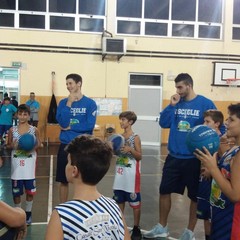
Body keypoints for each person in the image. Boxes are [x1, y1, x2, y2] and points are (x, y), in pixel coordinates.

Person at [144, 73, 217, 240]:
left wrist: (208, 161)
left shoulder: (205, 103)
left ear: (189, 86)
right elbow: (163, 123)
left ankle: (189, 232)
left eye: (180, 87)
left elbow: (215, 128)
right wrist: (171, 106)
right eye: (176, 87)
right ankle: (162, 226)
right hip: (174, 156)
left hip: (195, 159)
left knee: (194, 197)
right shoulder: (176, 103)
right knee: (164, 191)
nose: (177, 90)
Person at [45, 135, 131, 240]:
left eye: (68, 162)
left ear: (74, 171)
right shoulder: (114, 206)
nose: (66, 165)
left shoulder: (62, 215)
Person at [194, 103, 240, 240]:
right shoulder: (232, 150)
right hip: (220, 215)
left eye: (231, 120)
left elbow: (235, 195)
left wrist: (213, 169)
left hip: (231, 222)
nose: (227, 123)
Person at [56, 73, 97, 203]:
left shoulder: (90, 103)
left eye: (70, 83)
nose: (68, 86)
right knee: (63, 180)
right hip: (66, 144)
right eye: (67, 84)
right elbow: (63, 123)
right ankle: (62, 208)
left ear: (78, 84)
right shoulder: (63, 103)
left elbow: (89, 125)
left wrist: (71, 126)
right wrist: (69, 103)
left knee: (84, 180)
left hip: (82, 146)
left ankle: (82, 205)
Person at [7, 104, 42, 225]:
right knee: (16, 193)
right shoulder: (12, 130)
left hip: (29, 168)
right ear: (17, 115)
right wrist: (13, 146)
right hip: (16, 169)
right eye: (20, 114)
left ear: (28, 115)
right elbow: (7, 146)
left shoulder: (34, 130)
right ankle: (18, 214)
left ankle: (28, 214)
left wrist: (32, 146)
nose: (22, 116)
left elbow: (40, 144)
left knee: (29, 192)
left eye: (25, 114)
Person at [112, 111, 142, 240]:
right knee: (119, 201)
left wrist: (130, 149)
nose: (121, 122)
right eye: (120, 119)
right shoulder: (119, 137)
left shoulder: (135, 137)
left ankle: (136, 228)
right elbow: (116, 153)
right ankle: (120, 225)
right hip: (120, 175)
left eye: (123, 120)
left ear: (130, 122)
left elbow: (140, 156)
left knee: (135, 204)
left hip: (131, 176)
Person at [197, 110, 224, 240]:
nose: (204, 124)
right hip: (204, 181)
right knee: (205, 214)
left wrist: (212, 170)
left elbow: (224, 164)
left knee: (214, 214)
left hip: (216, 184)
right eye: (204, 121)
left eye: (207, 122)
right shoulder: (206, 139)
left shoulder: (222, 141)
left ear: (217, 124)